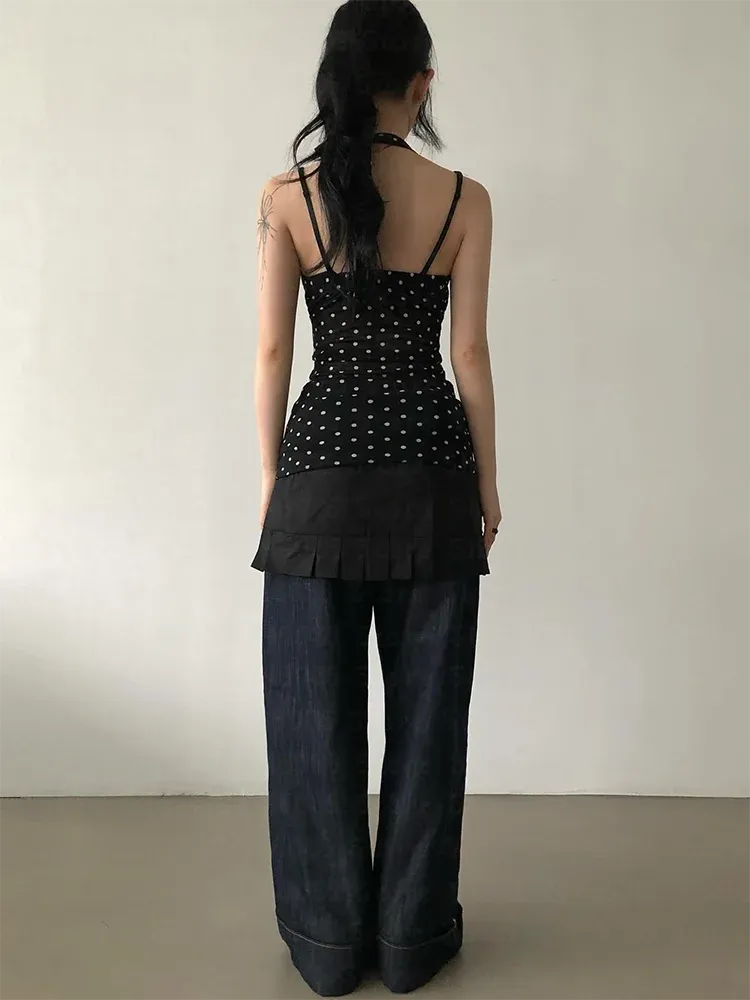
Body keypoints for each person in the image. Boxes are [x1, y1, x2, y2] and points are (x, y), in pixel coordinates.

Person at [251, 0, 500, 993]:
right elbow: (469, 355)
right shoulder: (464, 199)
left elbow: (274, 351)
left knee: (310, 722)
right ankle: (410, 941)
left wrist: (271, 481)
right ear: (421, 83)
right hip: (432, 482)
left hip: (317, 484)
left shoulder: (287, 197)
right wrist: (487, 483)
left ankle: (326, 946)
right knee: (430, 725)